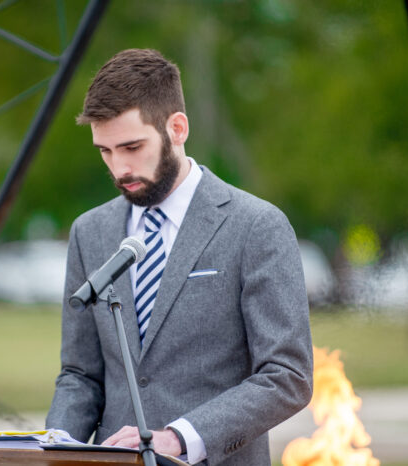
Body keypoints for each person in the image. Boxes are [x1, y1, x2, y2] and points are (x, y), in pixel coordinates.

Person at [46, 48, 313, 466]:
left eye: (132, 147)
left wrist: (177, 437)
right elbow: (81, 375)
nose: (119, 169)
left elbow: (288, 376)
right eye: (106, 151)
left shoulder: (257, 226)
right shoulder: (89, 232)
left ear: (177, 128)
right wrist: (56, 445)